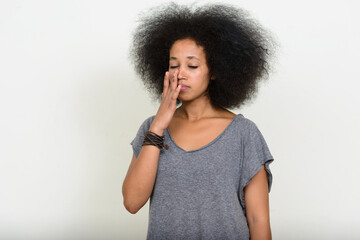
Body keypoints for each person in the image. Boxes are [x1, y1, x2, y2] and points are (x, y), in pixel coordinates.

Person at [122, 3, 276, 239]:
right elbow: (132, 202)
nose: (180, 73)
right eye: (174, 65)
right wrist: (159, 125)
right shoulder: (152, 128)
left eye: (192, 65)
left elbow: (258, 220)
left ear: (215, 70)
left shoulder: (244, 133)